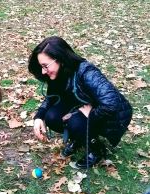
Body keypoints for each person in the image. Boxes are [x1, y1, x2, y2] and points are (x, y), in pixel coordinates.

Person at [28, 36, 132, 169]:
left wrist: (91, 114)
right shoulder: (58, 74)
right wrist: (39, 116)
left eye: (45, 66)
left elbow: (112, 103)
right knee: (51, 117)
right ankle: (79, 138)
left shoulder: (87, 72)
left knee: (75, 122)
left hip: (111, 115)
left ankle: (96, 149)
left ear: (59, 59)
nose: (43, 71)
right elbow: (51, 97)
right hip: (82, 106)